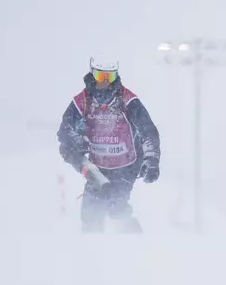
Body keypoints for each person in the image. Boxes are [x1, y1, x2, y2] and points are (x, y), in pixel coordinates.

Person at [57, 55, 161, 233]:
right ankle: (93, 253)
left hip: (126, 165)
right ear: (92, 74)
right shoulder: (83, 100)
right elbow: (64, 130)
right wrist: (76, 142)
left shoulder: (127, 99)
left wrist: (152, 159)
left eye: (109, 77)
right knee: (91, 212)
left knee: (116, 207)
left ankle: (137, 245)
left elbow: (147, 129)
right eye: (100, 77)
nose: (105, 82)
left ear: (116, 76)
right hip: (97, 167)